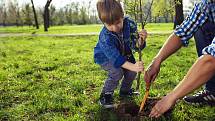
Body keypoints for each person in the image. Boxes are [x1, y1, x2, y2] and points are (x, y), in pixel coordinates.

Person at [143, 0, 215, 118]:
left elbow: (212, 58)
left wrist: (171, 97)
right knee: (200, 25)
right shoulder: (206, 3)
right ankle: (212, 92)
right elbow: (183, 32)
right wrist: (156, 61)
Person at [94, 0, 148, 108]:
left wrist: (141, 40)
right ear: (103, 22)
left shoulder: (130, 24)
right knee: (117, 72)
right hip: (106, 57)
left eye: (118, 22)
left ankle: (124, 91)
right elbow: (115, 58)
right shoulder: (105, 36)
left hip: (124, 54)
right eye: (109, 25)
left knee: (132, 72)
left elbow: (135, 45)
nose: (115, 28)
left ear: (123, 16)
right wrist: (132, 66)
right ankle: (106, 95)